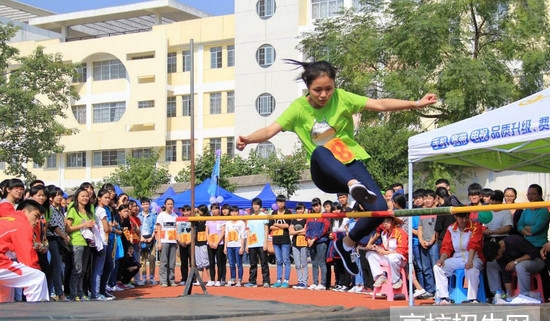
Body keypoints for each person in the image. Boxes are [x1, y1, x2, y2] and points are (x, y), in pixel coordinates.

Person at [236, 59, 437, 275]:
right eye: (317, 90)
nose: (324, 95)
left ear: (334, 85)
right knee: (321, 149)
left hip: (350, 162)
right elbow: (269, 130)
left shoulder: (342, 98)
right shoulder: (298, 108)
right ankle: (353, 186)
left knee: (379, 209)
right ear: (307, 86)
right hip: (324, 171)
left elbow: (379, 105)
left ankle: (347, 243)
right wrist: (248, 139)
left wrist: (415, 103)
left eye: (328, 89)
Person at [0, 199, 49, 303]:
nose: (37, 221)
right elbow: (28, 258)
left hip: (3, 261)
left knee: (5, 288)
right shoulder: (21, 224)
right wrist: (36, 270)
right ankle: (34, 315)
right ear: (23, 212)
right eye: (36, 216)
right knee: (37, 277)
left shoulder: (8, 220)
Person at [433, 213, 484, 304]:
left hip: (474, 256)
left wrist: (470, 261)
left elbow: (474, 244)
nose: (464, 220)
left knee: (471, 268)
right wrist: (442, 259)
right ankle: (444, 297)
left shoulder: (476, 226)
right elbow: (446, 247)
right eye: (461, 217)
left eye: (466, 217)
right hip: (458, 257)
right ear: (456, 217)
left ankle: (473, 298)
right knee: (437, 268)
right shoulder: (451, 228)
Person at [365, 217, 408, 289]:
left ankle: (396, 280)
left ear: (393, 222)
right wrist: (377, 248)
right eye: (384, 222)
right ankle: (380, 276)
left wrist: (385, 252)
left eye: (388, 221)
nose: (385, 224)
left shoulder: (401, 232)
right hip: (388, 257)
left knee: (393, 257)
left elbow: (401, 251)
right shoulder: (384, 233)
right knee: (369, 254)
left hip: (400, 259)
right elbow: (384, 247)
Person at [244, 198, 270, 288]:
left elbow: (266, 230)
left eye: (257, 204)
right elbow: (248, 232)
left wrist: (265, 242)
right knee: (253, 264)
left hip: (261, 243)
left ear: (260, 206)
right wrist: (247, 244)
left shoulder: (264, 216)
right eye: (254, 204)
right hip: (252, 244)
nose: (255, 206)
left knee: (264, 263)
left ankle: (266, 281)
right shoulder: (250, 217)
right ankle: (252, 281)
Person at [305, 198, 330, 290]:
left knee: (322, 263)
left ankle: (323, 283)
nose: (315, 207)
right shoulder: (310, 216)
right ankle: (315, 282)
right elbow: (307, 229)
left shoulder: (324, 216)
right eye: (314, 206)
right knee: (314, 263)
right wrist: (308, 238)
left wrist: (314, 238)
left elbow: (324, 229)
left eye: (317, 205)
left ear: (320, 205)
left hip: (321, 241)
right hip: (311, 242)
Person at [517, 184, 550, 248]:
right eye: (528, 194)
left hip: (539, 245)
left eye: (533, 194)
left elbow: (535, 229)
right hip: (526, 243)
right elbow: (519, 226)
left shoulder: (544, 211)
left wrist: (525, 227)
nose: (530, 196)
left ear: (540, 195)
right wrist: (527, 230)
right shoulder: (526, 210)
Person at [269, 195, 292, 288]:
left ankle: (286, 280)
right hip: (276, 239)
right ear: (276, 203)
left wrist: (276, 224)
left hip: (285, 239)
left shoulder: (288, 212)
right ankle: (278, 279)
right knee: (278, 260)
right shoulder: (274, 212)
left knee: (286, 260)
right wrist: (279, 225)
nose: (280, 204)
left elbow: (287, 225)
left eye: (282, 202)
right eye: (279, 202)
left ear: (285, 203)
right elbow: (270, 226)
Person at [155, 198, 178, 287]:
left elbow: (176, 229)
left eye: (171, 204)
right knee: (164, 261)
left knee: (172, 262)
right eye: (168, 204)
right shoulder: (161, 215)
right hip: (164, 241)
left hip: (173, 241)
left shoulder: (175, 216)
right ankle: (163, 280)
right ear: (165, 205)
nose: (170, 206)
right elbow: (158, 229)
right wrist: (159, 242)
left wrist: (177, 241)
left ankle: (171, 279)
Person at [224, 205, 246, 287]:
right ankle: (233, 278)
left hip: (238, 245)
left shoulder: (241, 223)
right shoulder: (228, 223)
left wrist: (242, 247)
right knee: (231, 263)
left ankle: (239, 280)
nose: (234, 213)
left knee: (239, 264)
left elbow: (243, 235)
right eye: (232, 211)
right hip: (230, 245)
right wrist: (225, 247)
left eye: (236, 211)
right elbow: (226, 235)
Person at [205, 203, 227, 287]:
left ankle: (219, 280)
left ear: (219, 209)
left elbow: (222, 232)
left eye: (216, 209)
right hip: (210, 243)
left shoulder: (222, 219)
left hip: (219, 243)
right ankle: (211, 279)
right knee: (211, 262)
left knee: (219, 262)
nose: (215, 210)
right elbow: (206, 232)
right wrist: (210, 242)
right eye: (213, 209)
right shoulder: (209, 220)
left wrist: (217, 242)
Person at [137, 197, 157, 285]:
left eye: (147, 204)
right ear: (141, 205)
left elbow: (155, 228)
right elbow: (136, 228)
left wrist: (151, 237)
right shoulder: (138, 216)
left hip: (151, 238)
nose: (145, 206)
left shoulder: (153, 216)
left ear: (149, 204)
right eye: (144, 204)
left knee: (152, 258)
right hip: (141, 238)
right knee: (142, 259)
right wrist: (141, 237)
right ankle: (144, 277)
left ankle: (152, 277)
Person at [289, 202, 308, 289]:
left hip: (303, 242)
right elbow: (291, 232)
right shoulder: (294, 220)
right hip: (295, 243)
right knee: (297, 263)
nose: (299, 211)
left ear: (304, 209)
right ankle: (300, 281)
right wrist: (299, 231)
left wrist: (296, 232)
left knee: (304, 263)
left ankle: (304, 282)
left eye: (301, 209)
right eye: (298, 209)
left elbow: (305, 231)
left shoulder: (306, 219)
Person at [176, 205, 192, 286]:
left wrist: (189, 241)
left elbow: (194, 232)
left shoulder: (192, 220)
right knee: (184, 262)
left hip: (190, 244)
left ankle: (193, 278)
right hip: (182, 244)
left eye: (188, 211)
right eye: (185, 211)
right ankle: (184, 278)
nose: (186, 213)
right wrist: (180, 241)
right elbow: (177, 232)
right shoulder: (179, 220)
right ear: (182, 212)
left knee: (192, 262)